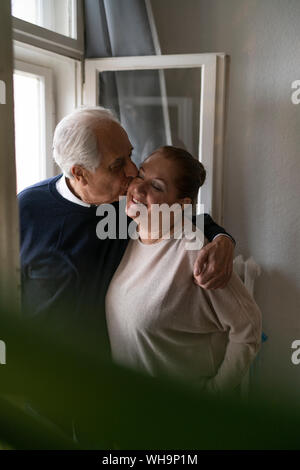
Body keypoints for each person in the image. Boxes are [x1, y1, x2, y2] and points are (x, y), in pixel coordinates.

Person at [18, 107, 235, 359]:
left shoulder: (129, 204)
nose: (132, 171)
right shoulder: (25, 211)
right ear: (80, 174)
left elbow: (185, 216)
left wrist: (223, 240)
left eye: (130, 155)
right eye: (117, 165)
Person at [105, 146, 262, 393]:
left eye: (156, 187)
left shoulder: (195, 251)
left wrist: (214, 394)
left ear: (180, 205)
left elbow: (249, 326)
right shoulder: (129, 231)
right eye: (141, 175)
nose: (138, 189)